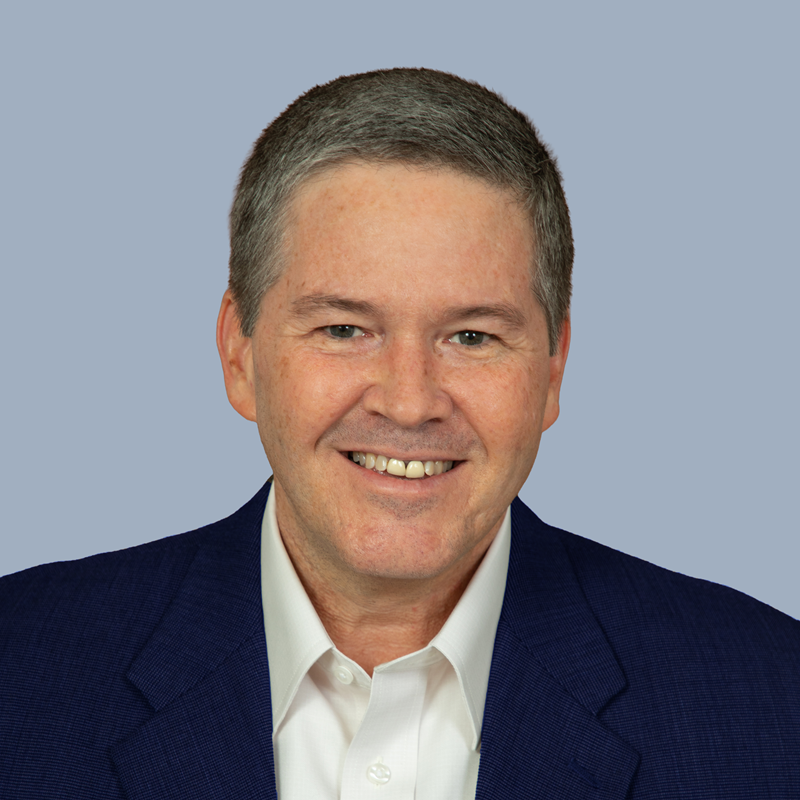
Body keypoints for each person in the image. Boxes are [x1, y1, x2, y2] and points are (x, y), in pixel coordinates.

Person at [1, 68, 798, 800]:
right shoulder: (21, 671)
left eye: (473, 337)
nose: (410, 403)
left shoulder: (770, 701)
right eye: (346, 328)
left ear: (553, 371)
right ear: (238, 353)